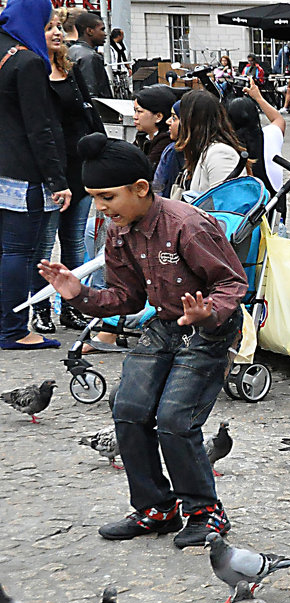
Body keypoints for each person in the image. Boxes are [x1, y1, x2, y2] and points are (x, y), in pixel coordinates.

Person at [39, 132, 247, 546]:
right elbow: (127, 297)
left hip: (206, 332)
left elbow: (232, 282)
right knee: (128, 406)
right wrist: (78, 294)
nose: (99, 206)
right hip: (164, 327)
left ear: (140, 189)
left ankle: (206, 512)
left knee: (174, 419)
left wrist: (208, 312)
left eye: (107, 197)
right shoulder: (117, 231)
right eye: (94, 197)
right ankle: (156, 508)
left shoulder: (188, 225)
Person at [0, 0, 70, 351]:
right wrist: (58, 180)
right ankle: (13, 329)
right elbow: (39, 128)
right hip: (21, 172)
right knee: (18, 252)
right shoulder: (27, 62)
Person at [32, 10, 102, 335]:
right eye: (49, 28)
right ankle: (42, 308)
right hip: (49, 171)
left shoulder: (68, 68)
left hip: (80, 168)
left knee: (74, 243)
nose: (58, 32)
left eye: (59, 26)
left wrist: (101, 151)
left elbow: (89, 113)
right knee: (44, 247)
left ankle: (73, 308)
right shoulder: (30, 71)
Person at [171, 89, 244, 199]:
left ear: (192, 121)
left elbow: (225, 206)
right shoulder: (201, 151)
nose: (168, 121)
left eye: (174, 118)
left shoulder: (220, 153)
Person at [228, 78, 286, 201]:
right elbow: (279, 120)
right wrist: (258, 98)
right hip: (275, 204)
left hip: (245, 209)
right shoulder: (270, 135)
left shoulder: (229, 144)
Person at [67, 11, 111, 98]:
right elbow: (91, 92)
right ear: (89, 31)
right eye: (102, 29)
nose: (105, 34)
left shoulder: (70, 50)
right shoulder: (90, 56)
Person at [133, 85, 178, 169]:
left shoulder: (166, 141)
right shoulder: (141, 137)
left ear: (158, 117)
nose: (134, 116)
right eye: (135, 111)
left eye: (139, 111)